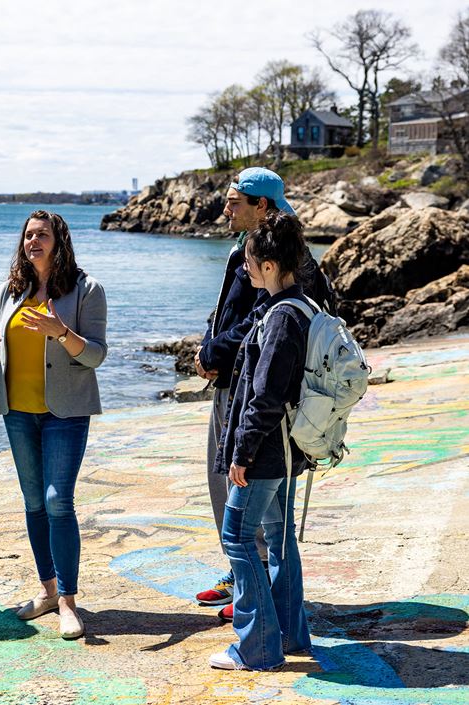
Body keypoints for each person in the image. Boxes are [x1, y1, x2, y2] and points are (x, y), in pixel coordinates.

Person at [193, 166, 330, 621]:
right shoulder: (245, 251)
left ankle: (256, 590)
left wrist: (213, 351)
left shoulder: (284, 260)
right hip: (237, 380)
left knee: (248, 488)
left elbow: (264, 321)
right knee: (232, 486)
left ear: (262, 206)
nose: (226, 208)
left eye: (235, 202)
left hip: (258, 389)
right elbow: (239, 314)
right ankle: (244, 577)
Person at [0, 210, 107, 640]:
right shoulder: (9, 290)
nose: (34, 241)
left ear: (60, 241)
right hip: (18, 411)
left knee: (57, 501)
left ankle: (69, 601)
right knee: (34, 502)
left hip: (65, 413)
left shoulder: (87, 290)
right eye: (29, 235)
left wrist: (60, 331)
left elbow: (95, 355)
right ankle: (48, 592)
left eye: (43, 235)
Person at [208, 210, 313, 671]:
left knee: (237, 538)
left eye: (249, 261)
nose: (244, 268)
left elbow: (266, 396)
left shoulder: (282, 317)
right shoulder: (300, 307)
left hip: (266, 453)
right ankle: (291, 636)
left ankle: (257, 648)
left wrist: (242, 453)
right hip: (288, 451)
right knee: (278, 536)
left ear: (269, 265)